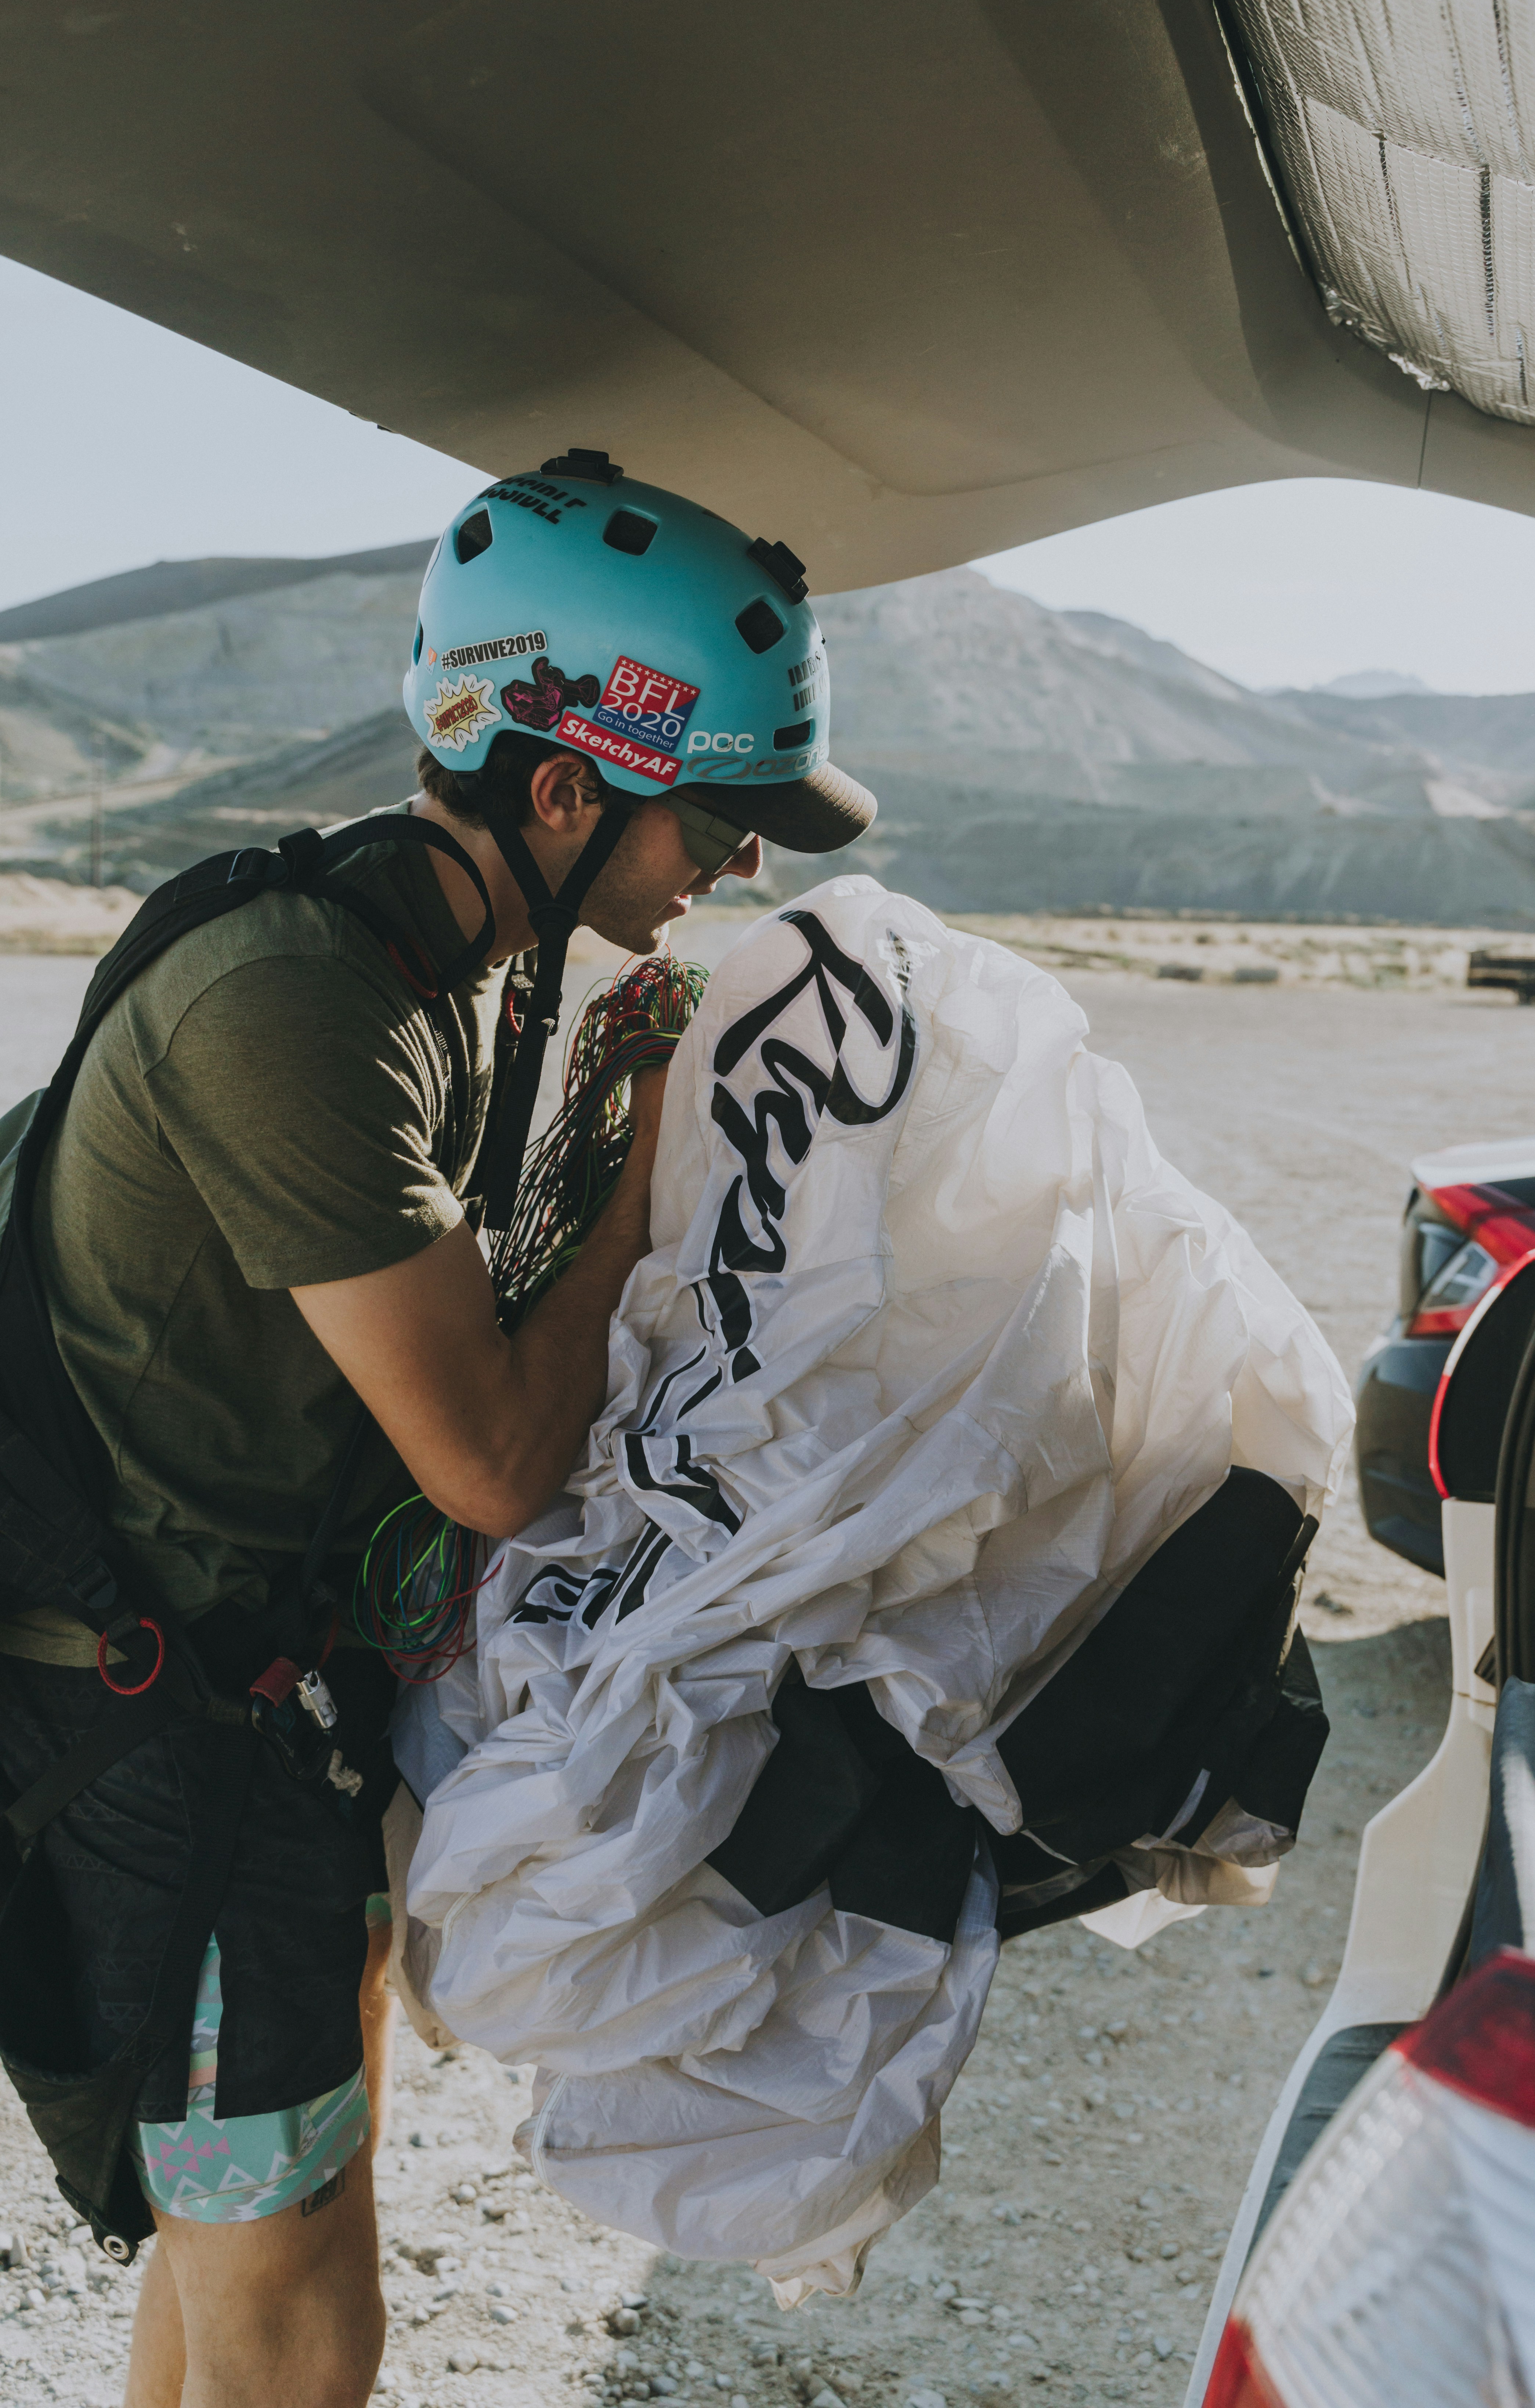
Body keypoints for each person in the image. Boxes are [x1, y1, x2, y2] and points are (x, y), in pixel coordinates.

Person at [0, 453, 873, 2408]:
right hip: (163, 1744)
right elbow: (488, 1449)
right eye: (712, 815)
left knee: (246, 2238)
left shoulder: (433, 971)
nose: (737, 865)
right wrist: (648, 1144)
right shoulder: (292, 1005)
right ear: (559, 789)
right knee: (299, 2320)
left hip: (254, 1719)